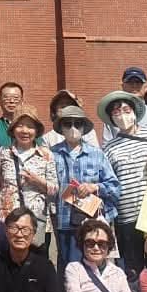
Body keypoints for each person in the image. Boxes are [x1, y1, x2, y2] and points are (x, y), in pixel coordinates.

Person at [98, 88, 147, 274]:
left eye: (126, 110)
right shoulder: (109, 148)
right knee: (134, 269)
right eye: (116, 112)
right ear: (111, 118)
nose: (122, 115)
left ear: (134, 112)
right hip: (126, 215)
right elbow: (109, 181)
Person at [50, 105, 120, 266]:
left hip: (91, 222)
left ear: (83, 128)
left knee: (94, 266)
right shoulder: (52, 154)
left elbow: (115, 187)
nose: (73, 128)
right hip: (64, 222)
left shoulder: (97, 154)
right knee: (68, 268)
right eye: (67, 124)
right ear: (61, 128)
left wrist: (95, 187)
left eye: (78, 124)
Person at [0, 107, 58, 255]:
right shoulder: (3, 153)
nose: (25, 131)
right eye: (20, 126)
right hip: (7, 217)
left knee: (36, 261)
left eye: (30, 126)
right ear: (13, 129)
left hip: (36, 220)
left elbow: (54, 189)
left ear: (36, 130)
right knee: (6, 260)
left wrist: (38, 181)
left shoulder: (46, 155)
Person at [108, 66, 147, 144]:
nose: (134, 85)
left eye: (138, 82)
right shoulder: (112, 116)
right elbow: (107, 147)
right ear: (123, 86)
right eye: (130, 82)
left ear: (145, 87)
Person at [0, 81, 25, 148]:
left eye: (16, 98)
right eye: (7, 97)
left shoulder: (31, 127)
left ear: (22, 101)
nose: (12, 101)